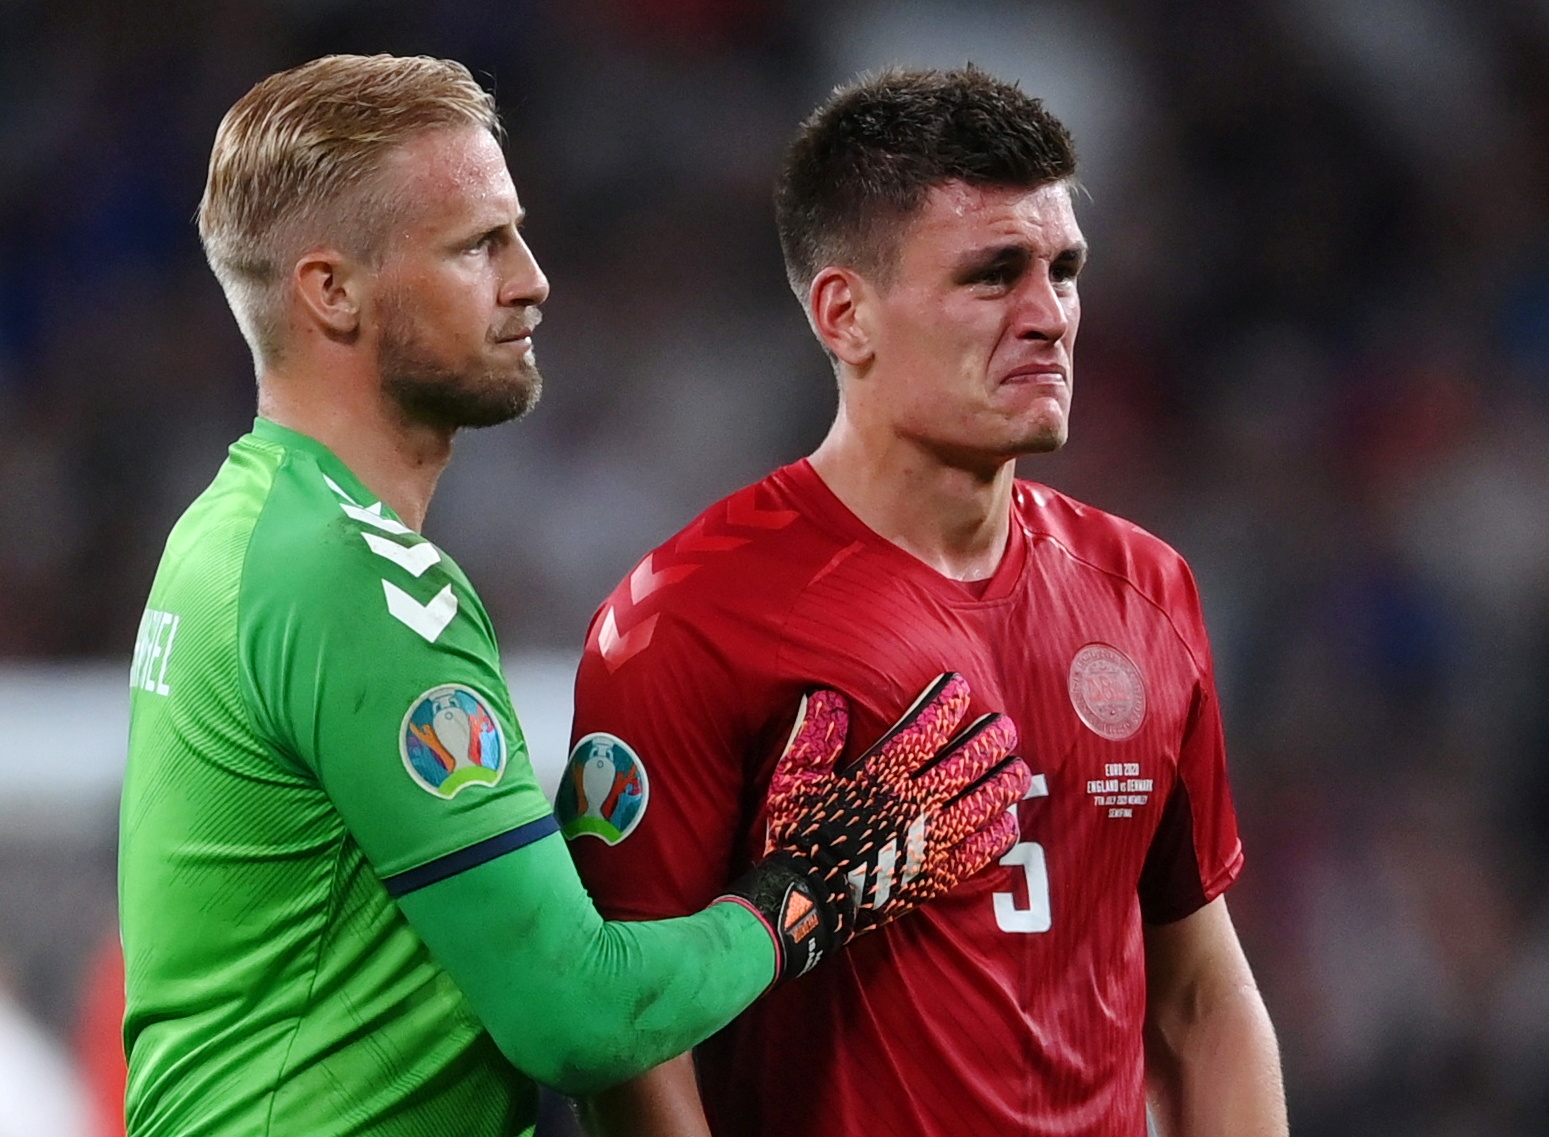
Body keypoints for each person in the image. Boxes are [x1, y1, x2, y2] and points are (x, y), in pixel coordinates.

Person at [116, 54, 1030, 1137]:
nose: (531, 279)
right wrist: (808, 890)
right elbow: (578, 1016)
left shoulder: (234, 529)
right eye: (477, 246)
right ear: (331, 293)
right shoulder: (360, 583)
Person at [561, 66, 1288, 1137]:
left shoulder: (1145, 591)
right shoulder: (682, 621)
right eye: (994, 275)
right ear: (844, 314)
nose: (1049, 316)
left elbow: (1197, 997)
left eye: (1065, 270)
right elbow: (624, 1038)